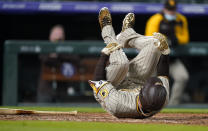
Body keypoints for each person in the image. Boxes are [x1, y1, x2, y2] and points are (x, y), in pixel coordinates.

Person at [88, 7, 170, 118]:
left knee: (122, 63)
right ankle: (127, 35)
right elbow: (163, 75)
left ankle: (107, 30)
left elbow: (98, 81)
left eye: (145, 86)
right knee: (156, 44)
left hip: (111, 86)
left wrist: (104, 55)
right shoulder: (161, 98)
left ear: (141, 93)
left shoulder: (117, 104)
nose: (145, 83)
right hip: (134, 81)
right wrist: (165, 53)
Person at [145, 0, 189, 105]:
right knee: (151, 81)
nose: (171, 12)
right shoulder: (156, 19)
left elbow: (185, 38)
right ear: (164, 9)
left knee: (183, 77)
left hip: (172, 59)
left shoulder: (181, 19)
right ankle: (148, 104)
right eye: (169, 10)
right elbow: (149, 37)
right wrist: (166, 39)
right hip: (156, 59)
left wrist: (176, 39)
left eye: (173, 10)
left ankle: (173, 106)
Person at [37, 25, 79, 102]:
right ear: (50, 36)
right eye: (56, 34)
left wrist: (58, 54)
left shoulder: (67, 48)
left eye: (61, 35)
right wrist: (54, 55)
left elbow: (75, 59)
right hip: (46, 90)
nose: (58, 37)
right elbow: (44, 59)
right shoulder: (45, 47)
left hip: (62, 90)